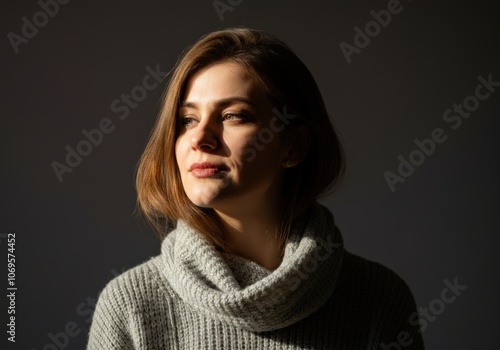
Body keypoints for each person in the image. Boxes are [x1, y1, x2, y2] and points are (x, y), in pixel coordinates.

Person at [87, 27, 425, 349]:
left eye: (233, 116)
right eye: (187, 120)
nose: (200, 138)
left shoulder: (378, 300)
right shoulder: (131, 304)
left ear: (293, 146)